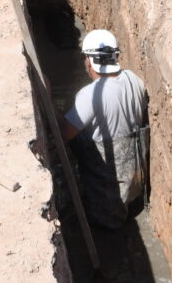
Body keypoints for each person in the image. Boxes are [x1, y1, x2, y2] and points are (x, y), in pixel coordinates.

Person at [61, 29, 150, 229]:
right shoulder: (134, 79)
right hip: (135, 188)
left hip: (107, 204)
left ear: (89, 61)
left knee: (76, 136)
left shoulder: (90, 95)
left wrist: (50, 101)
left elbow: (65, 133)